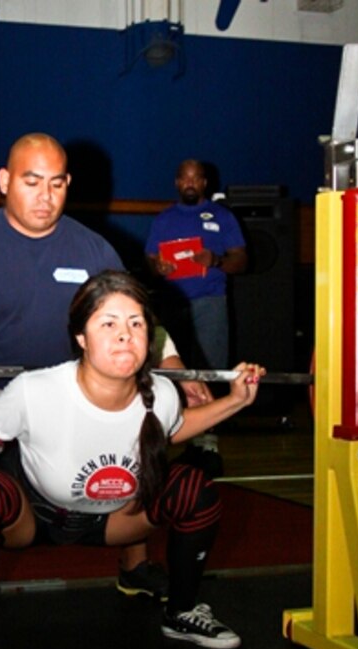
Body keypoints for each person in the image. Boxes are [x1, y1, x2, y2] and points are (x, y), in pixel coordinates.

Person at [0, 133, 209, 609]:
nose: (45, 196)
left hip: (69, 391)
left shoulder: (93, 250)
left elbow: (134, 318)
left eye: (56, 183)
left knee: (137, 459)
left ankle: (133, 564)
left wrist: (178, 369)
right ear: (4, 181)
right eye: (31, 182)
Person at [0, 271, 264, 649]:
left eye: (136, 324)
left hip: (114, 519)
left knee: (194, 488)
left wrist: (236, 401)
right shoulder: (36, 389)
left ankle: (181, 611)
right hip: (32, 517)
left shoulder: (162, 393)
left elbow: (175, 428)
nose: (125, 335)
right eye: (108, 324)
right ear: (81, 337)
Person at [145, 159, 248, 465]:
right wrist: (158, 266)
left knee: (209, 369)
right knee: (171, 373)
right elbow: (150, 259)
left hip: (210, 302)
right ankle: (176, 435)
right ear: (177, 182)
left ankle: (207, 444)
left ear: (205, 183)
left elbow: (242, 261)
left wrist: (215, 261)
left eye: (196, 178)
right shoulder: (164, 219)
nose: (190, 183)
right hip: (172, 303)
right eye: (185, 178)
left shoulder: (222, 216)